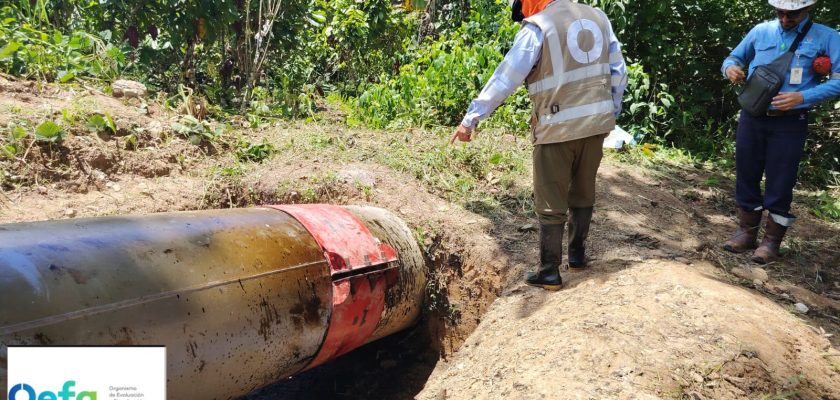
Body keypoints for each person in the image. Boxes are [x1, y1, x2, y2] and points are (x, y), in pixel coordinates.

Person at [451, 0, 627, 290]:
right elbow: (619, 72)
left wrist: (471, 118)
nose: (525, 14)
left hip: (556, 128)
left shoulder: (539, 27)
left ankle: (549, 271)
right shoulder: (599, 17)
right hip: (596, 124)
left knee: (550, 201)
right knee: (583, 191)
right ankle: (578, 257)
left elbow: (506, 77)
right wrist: (610, 113)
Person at [721, 0, 840, 263]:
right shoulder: (761, 31)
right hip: (753, 115)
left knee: (781, 179)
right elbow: (733, 58)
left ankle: (771, 243)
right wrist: (730, 69)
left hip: (790, 121)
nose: (785, 19)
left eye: (792, 14)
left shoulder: (827, 37)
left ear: (807, 9)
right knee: (746, 172)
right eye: (781, 13)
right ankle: (746, 233)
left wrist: (803, 97)